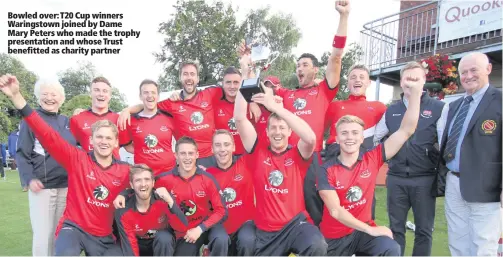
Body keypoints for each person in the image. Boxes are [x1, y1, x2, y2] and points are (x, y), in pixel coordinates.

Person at [0, 74, 131, 256]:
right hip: (68, 220)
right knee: (53, 243)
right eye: (99, 137)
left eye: (109, 138)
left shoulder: (124, 170)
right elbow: (47, 134)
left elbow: (143, 184)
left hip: (101, 234)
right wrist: (16, 97)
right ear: (90, 140)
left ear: (117, 142)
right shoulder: (78, 158)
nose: (104, 142)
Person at [317, 67, 425, 256]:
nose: (349, 138)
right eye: (344, 133)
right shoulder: (326, 169)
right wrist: (371, 229)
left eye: (355, 133)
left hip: (362, 235)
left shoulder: (372, 158)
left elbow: (406, 130)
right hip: (334, 239)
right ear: (337, 138)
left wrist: (415, 94)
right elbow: (336, 212)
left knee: (391, 248)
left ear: (362, 138)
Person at [263, 0, 349, 226]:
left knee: (314, 207)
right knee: (286, 206)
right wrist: (251, 67)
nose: (299, 68)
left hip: (312, 157)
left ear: (315, 70)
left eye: (304, 64)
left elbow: (336, 57)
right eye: (297, 65)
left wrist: (344, 17)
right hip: (287, 158)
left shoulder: (323, 91)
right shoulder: (288, 94)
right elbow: (264, 88)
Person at [234, 80, 327, 255]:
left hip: (295, 226)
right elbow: (239, 118)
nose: (278, 132)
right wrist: (245, 80)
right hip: (266, 231)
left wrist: (275, 108)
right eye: (273, 128)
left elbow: (311, 139)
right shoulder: (257, 153)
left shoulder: (297, 155)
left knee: (317, 244)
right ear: (267, 132)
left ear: (290, 131)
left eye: (282, 128)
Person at [372, 61, 445, 256]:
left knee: (423, 230)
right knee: (396, 229)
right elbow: (376, 137)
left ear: (424, 81)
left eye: (416, 78)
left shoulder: (439, 108)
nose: (411, 82)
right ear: (401, 80)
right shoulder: (392, 110)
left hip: (425, 178)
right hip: (396, 178)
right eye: (407, 78)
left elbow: (447, 142)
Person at [114, 136, 229, 256]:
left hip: (207, 225)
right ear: (176, 155)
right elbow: (144, 188)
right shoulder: (164, 179)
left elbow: (221, 211)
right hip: (183, 230)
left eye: (191, 153)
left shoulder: (208, 179)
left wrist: (200, 228)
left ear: (197, 155)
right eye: (183, 153)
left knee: (221, 239)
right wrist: (124, 194)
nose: (187, 157)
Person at [438, 52, 502, 256]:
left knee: (483, 245)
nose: (468, 76)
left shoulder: (500, 101)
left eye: (474, 70)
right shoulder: (454, 106)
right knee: (458, 242)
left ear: (488, 69)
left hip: (486, 186)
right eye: (463, 72)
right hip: (454, 183)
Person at [13, 78, 77, 256]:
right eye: (45, 94)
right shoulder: (30, 120)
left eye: (53, 94)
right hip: (42, 188)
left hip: (66, 188)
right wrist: (29, 178)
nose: (49, 98)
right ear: (38, 97)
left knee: (60, 234)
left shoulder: (68, 122)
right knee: (43, 236)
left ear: (61, 98)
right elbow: (22, 153)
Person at [324, 64, 387, 220]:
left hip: (363, 160)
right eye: (353, 77)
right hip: (335, 157)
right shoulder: (335, 105)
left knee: (364, 201)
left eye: (361, 77)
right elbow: (318, 129)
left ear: (368, 82)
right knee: (334, 203)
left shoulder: (379, 107)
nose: (357, 80)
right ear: (347, 82)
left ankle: (365, 233)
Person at [105, 164, 188, 256]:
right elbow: (130, 244)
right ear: (132, 185)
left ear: (153, 183)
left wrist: (170, 202)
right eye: (138, 180)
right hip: (137, 243)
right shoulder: (123, 209)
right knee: (111, 254)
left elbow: (182, 227)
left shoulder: (163, 199)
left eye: (147, 179)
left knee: (164, 238)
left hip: (159, 244)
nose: (143, 184)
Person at [204, 129, 256, 256]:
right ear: (212, 149)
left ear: (233, 147)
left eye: (226, 144)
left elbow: (252, 140)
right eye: (218, 145)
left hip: (245, 224)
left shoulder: (245, 163)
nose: (222, 149)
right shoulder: (207, 175)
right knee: (220, 239)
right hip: (220, 226)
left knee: (247, 240)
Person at [119, 79, 176, 176]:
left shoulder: (169, 116)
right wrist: (142, 150)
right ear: (140, 96)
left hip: (169, 173)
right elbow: (127, 146)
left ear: (158, 96)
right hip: (144, 176)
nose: (150, 95)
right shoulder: (130, 120)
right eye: (145, 93)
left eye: (153, 92)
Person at [70, 76, 124, 158]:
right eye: (96, 90)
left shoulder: (120, 119)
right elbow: (70, 147)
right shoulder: (76, 119)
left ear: (110, 96)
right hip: (88, 169)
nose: (101, 94)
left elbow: (131, 147)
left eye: (105, 91)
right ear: (90, 93)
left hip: (114, 169)